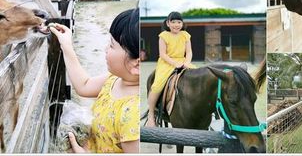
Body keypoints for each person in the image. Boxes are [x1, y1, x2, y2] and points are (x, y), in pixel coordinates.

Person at [49, 9, 140, 153]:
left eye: (111, 45)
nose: (105, 49)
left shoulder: (132, 115)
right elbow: (83, 85)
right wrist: (66, 45)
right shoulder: (115, 80)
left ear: (136, 64)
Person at [146, 11, 195, 127]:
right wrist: (174, 63)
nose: (176, 24)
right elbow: (163, 54)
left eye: (179, 22)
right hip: (167, 62)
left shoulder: (185, 35)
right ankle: (151, 114)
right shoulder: (163, 36)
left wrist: (187, 62)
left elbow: (189, 52)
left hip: (183, 61)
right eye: (173, 22)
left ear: (182, 24)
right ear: (168, 23)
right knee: (157, 85)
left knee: (197, 77)